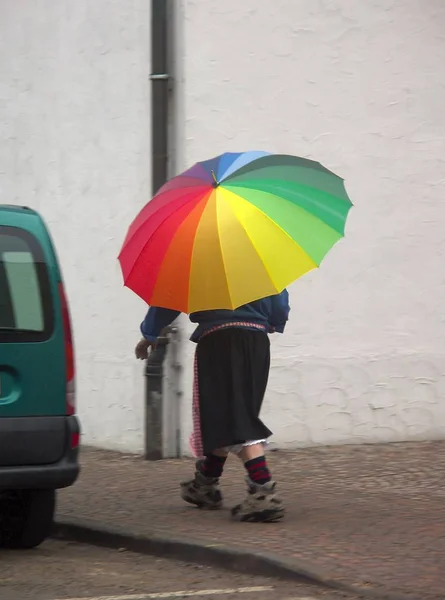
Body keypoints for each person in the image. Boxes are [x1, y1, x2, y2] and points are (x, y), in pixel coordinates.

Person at [135, 290, 290, 523]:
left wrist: (150, 332)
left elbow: (169, 299)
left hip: (220, 342)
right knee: (224, 415)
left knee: (236, 417)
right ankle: (205, 484)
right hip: (256, 341)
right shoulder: (259, 260)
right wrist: (272, 322)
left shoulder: (197, 261)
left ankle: (263, 492)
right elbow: (280, 301)